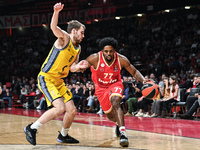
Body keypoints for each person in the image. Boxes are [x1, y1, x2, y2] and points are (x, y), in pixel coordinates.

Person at [24, 2, 88, 146]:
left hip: (59, 80)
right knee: (60, 108)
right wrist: (56, 12)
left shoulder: (78, 48)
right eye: (81, 32)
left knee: (71, 110)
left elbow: (72, 67)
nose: (83, 35)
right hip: (46, 77)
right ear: (73, 31)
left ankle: (63, 136)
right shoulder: (64, 38)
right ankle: (31, 128)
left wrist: (79, 66)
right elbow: (53, 27)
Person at [84, 37, 146, 147]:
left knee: (116, 102)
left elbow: (134, 71)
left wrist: (144, 80)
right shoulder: (94, 58)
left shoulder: (121, 59)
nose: (108, 53)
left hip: (115, 84)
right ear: (102, 51)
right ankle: (118, 122)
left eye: (111, 51)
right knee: (109, 116)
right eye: (106, 51)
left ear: (114, 51)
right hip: (101, 88)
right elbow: (81, 66)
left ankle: (123, 134)